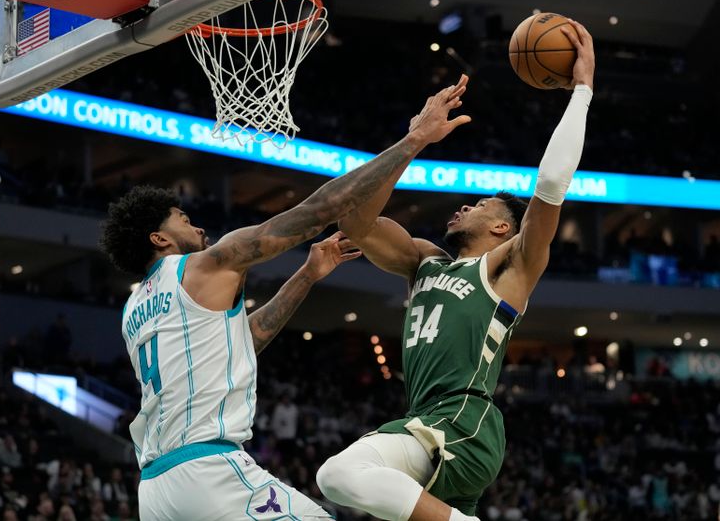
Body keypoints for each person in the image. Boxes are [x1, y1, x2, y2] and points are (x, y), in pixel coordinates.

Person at [99, 77, 471, 521]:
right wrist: (413, 140)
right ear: (159, 237)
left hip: (156, 490)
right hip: (206, 469)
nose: (199, 228)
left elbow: (242, 342)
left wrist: (307, 275)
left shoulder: (134, 308)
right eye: (184, 219)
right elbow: (318, 210)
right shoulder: (204, 265)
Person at [316, 19, 595, 521]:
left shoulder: (511, 266)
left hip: (465, 420)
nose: (465, 208)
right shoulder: (422, 261)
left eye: (482, 205)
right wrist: (414, 140)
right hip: (425, 422)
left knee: (337, 476)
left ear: (502, 230)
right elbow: (354, 218)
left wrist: (582, 89)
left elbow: (553, 179)